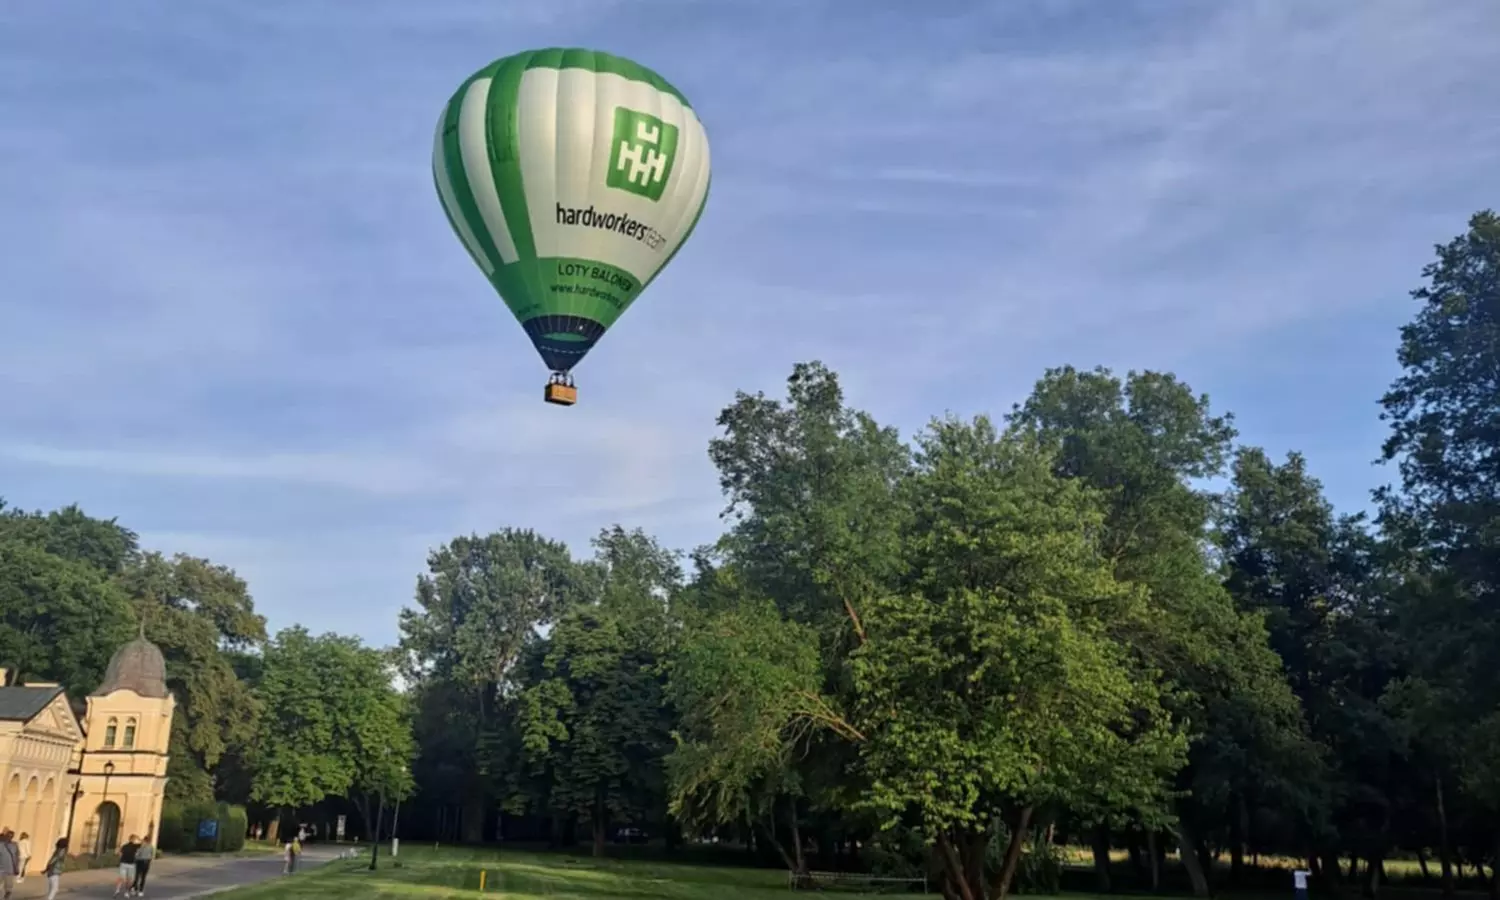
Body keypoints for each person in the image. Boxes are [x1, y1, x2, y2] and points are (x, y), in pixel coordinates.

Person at [0, 829, 20, 900]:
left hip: (10, 869)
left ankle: (7, 897)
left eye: (11, 836)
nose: (10, 837)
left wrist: (17, 868)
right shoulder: (1, 845)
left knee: (9, 887)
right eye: (8, 835)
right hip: (1, 869)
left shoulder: (15, 845)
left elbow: (17, 857)